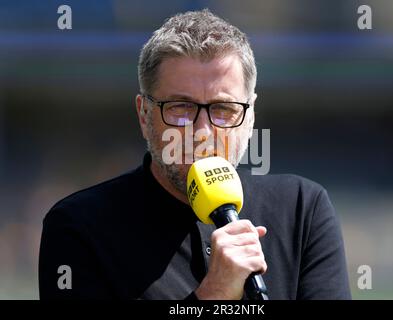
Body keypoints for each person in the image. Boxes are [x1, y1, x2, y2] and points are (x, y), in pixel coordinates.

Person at [39, 9, 351, 300]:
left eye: (223, 109)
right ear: (144, 115)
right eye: (180, 107)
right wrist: (213, 294)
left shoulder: (302, 209)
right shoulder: (78, 227)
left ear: (251, 116)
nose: (202, 130)